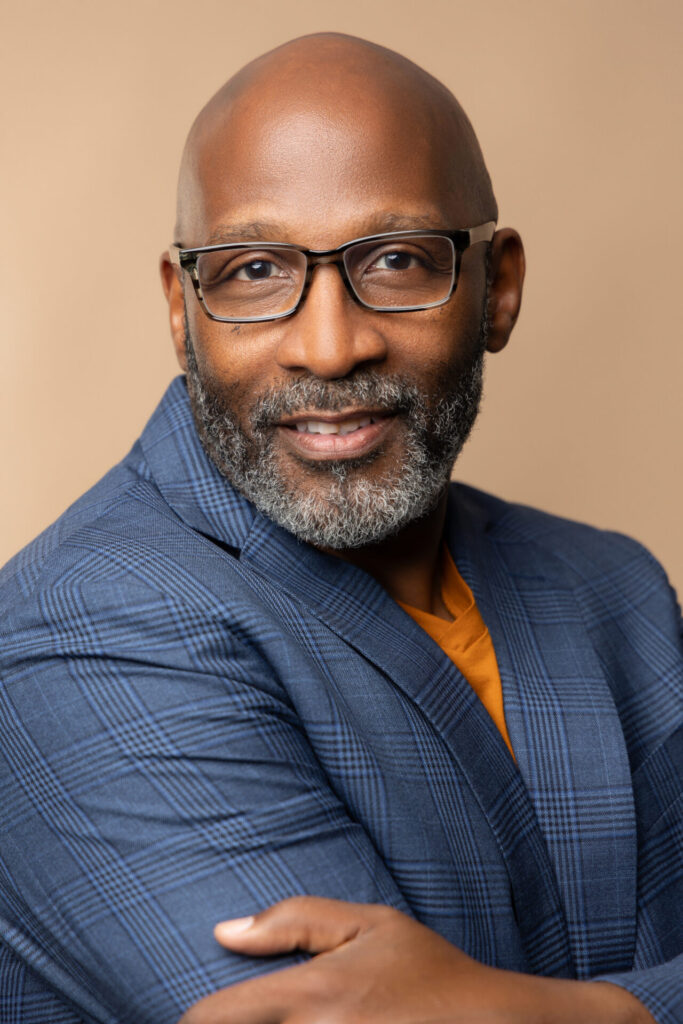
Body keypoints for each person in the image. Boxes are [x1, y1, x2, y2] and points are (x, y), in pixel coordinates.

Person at [0, 31, 680, 1024]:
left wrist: (570, 1015)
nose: (328, 345)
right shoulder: (77, 638)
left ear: (496, 286)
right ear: (180, 310)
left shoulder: (607, 587)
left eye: (397, 259)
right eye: (251, 272)